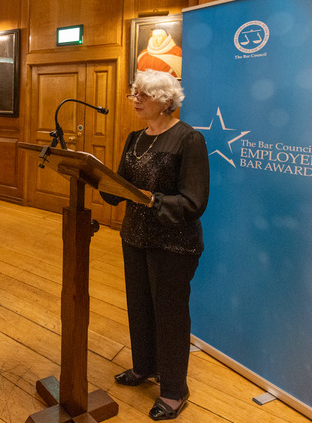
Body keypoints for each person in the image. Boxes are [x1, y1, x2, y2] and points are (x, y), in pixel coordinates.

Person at [101, 69, 208, 421]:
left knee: (170, 315)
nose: (135, 100)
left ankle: (175, 390)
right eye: (134, 94)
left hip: (174, 245)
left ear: (165, 100)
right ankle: (144, 366)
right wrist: (100, 181)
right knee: (140, 307)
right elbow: (119, 185)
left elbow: (194, 202)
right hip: (134, 237)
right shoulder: (134, 138)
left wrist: (151, 200)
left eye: (142, 95)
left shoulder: (188, 139)